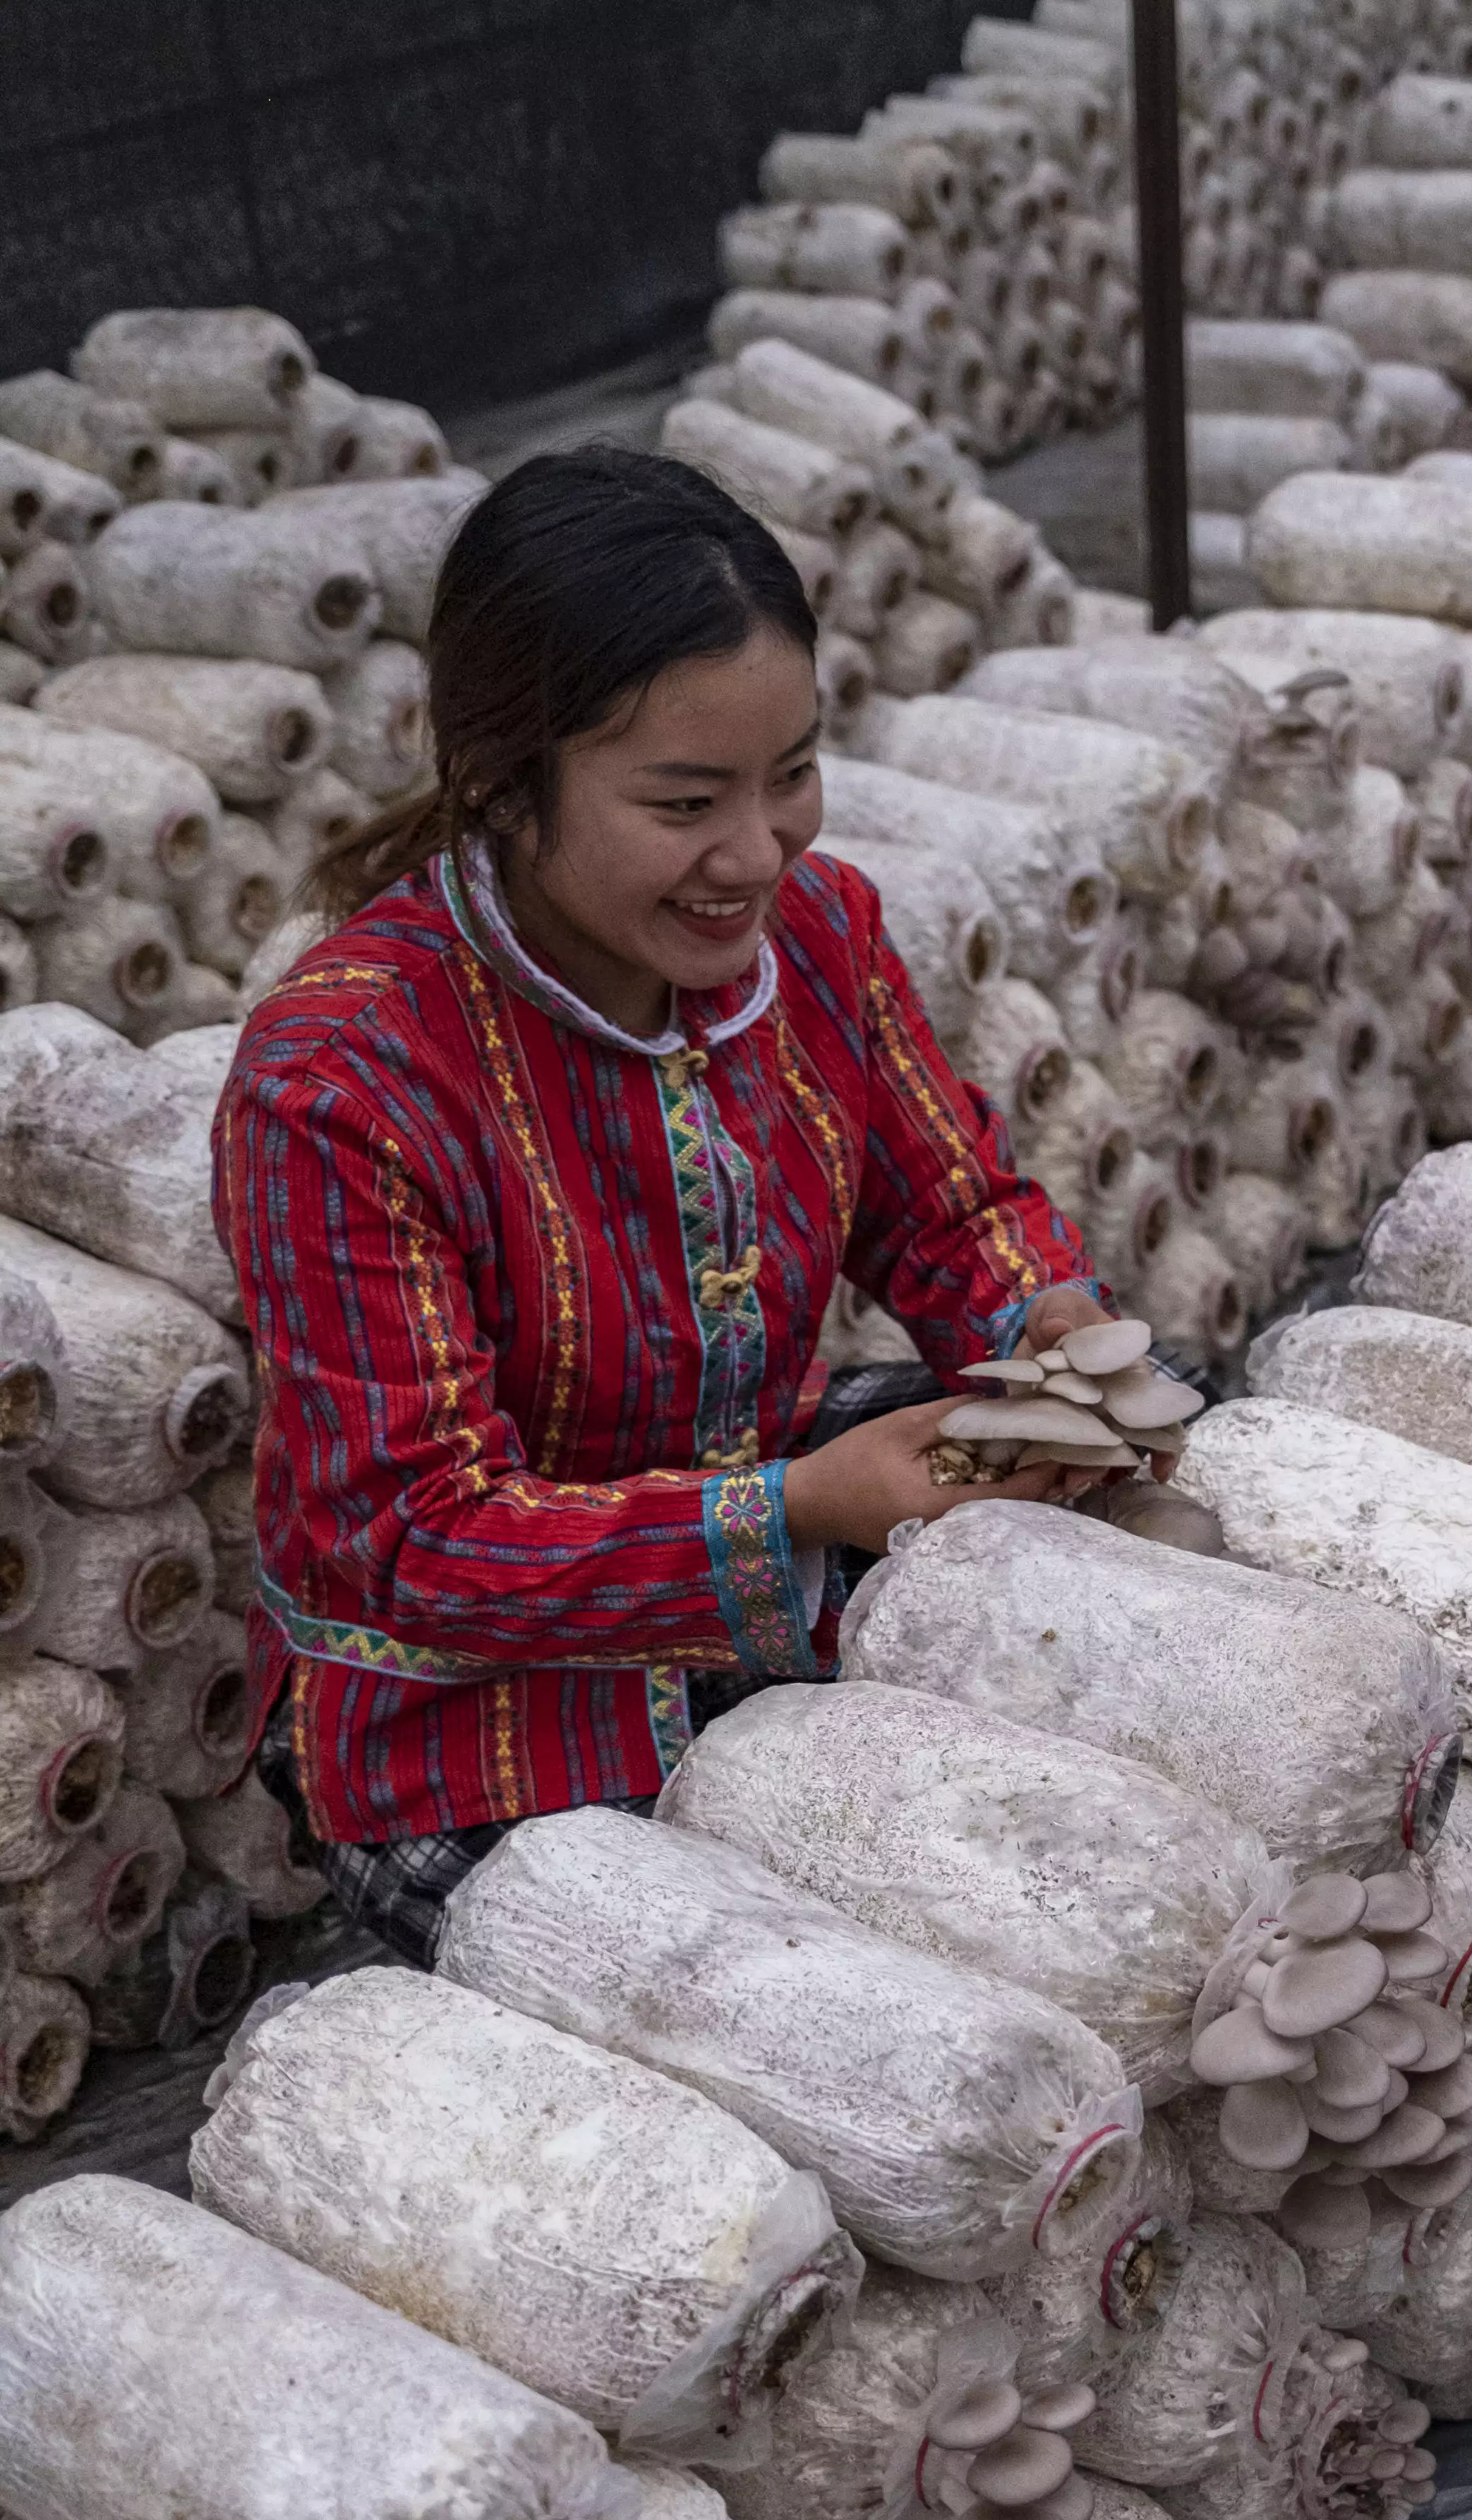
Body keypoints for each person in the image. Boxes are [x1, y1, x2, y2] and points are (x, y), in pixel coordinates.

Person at [215, 443, 1118, 1963]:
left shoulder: (819, 932)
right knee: (786, 1999)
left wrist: (1055, 1328)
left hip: (770, 1503)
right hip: (470, 1712)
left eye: (791, 776)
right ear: (504, 782)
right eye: (686, 801)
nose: (757, 853)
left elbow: (953, 1210)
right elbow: (415, 1538)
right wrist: (800, 1512)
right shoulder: (339, 1081)